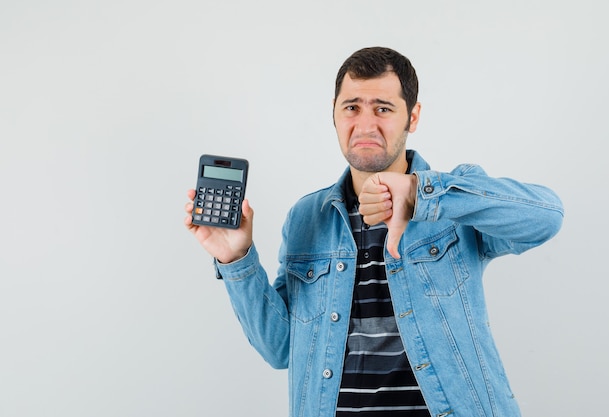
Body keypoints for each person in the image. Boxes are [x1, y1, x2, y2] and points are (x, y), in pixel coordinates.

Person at [184, 47, 564, 417]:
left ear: (412, 118)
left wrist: (420, 194)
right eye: (352, 107)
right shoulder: (305, 217)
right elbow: (281, 348)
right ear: (333, 115)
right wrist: (235, 260)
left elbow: (546, 217)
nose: (365, 125)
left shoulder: (454, 199)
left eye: (383, 108)